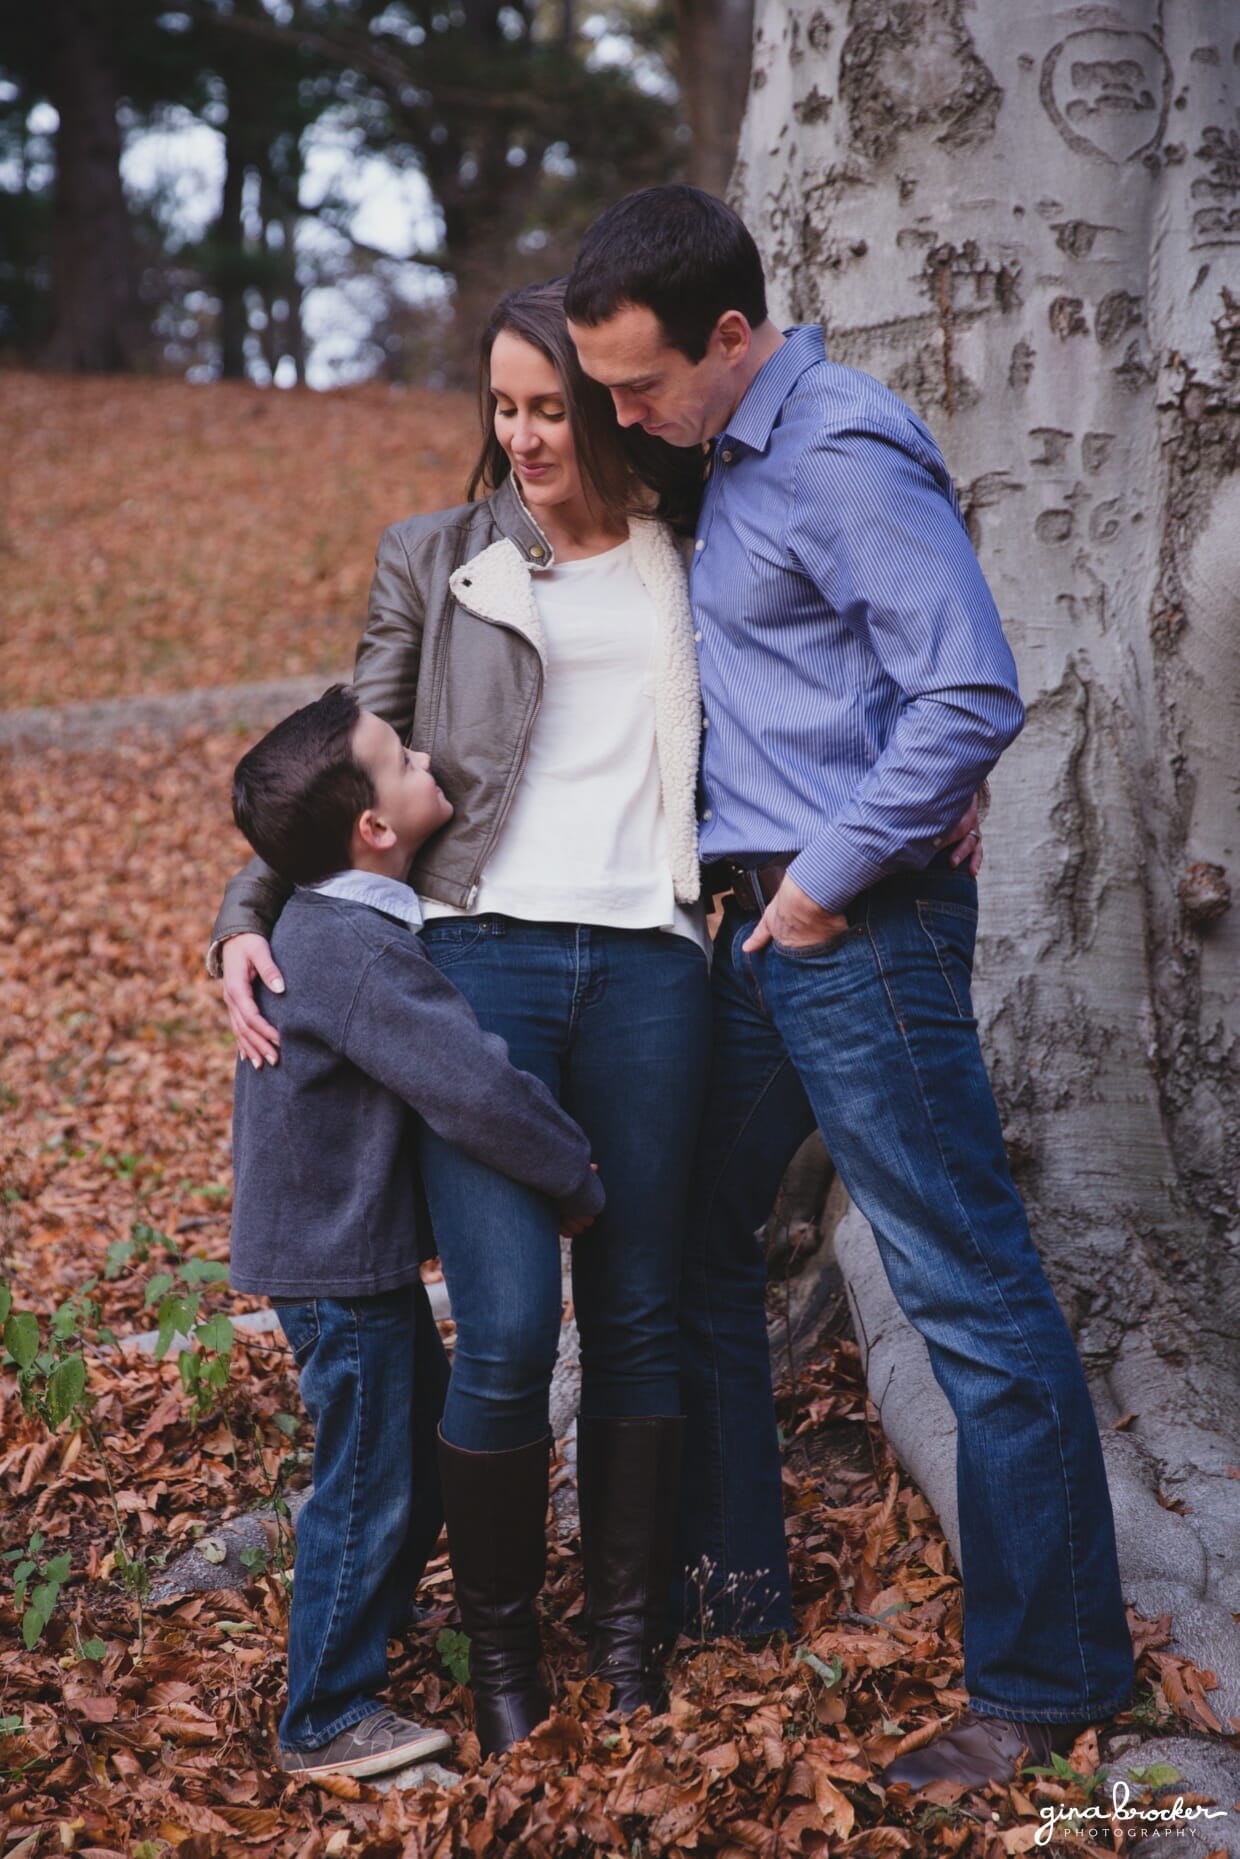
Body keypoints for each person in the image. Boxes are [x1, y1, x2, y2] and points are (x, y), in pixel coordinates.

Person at [564, 185, 1134, 1788]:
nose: (624, 415)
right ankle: (733, 1579)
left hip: (850, 934)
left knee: (968, 1289)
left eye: (640, 384)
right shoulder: (728, 462)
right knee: (678, 1232)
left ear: (733, 338)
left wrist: (821, 883)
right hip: (756, 936)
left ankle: (1048, 1685)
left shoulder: (836, 447)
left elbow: (967, 684)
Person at [210, 281, 714, 1756]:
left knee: (637, 1315)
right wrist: (246, 916)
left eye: (548, 403)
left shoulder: (691, 541)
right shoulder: (434, 558)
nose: (523, 432)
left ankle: (625, 1643)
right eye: (502, 407)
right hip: (481, 954)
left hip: (650, 965)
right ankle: (503, 1657)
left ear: (603, 400)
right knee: (499, 1329)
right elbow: (333, 772)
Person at [227, 684, 604, 1781]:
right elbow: (472, 1087)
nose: (426, 754)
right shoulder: (351, 950)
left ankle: (363, 1653)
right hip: (335, 1267)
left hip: (347, 1258)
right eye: (400, 757)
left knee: (407, 1460)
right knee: (368, 1476)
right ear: (376, 830)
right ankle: (326, 1714)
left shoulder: (340, 925)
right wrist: (572, 1170)